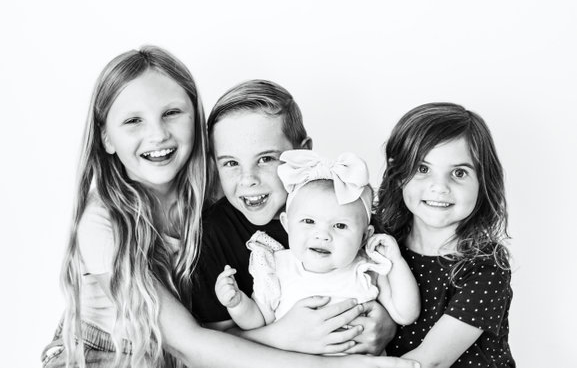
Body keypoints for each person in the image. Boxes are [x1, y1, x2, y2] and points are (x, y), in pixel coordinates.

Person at [41, 47, 415, 368]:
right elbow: (189, 343)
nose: (157, 134)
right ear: (106, 137)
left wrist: (379, 317)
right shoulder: (103, 221)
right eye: (133, 120)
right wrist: (319, 354)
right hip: (105, 355)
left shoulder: (228, 184)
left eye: (172, 112)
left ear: (196, 122)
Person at [190, 80, 397, 355]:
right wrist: (282, 336)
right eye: (231, 163)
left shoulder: (345, 208)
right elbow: (214, 342)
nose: (248, 179)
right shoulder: (211, 235)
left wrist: (387, 326)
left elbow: (389, 287)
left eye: (265, 159)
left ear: (303, 152)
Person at [375, 102, 515, 368]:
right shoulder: (381, 246)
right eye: (423, 169)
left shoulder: (485, 267)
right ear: (398, 175)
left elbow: (430, 362)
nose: (439, 187)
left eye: (459, 173)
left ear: (483, 181)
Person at [215, 150, 421, 330]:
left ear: (364, 236)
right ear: (287, 224)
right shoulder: (278, 268)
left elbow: (406, 314)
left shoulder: (366, 267)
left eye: (340, 226)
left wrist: (396, 261)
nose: (322, 235)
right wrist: (237, 303)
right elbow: (258, 321)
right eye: (308, 221)